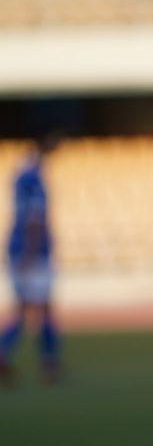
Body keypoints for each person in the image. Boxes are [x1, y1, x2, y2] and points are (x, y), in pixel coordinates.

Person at [2, 131, 63, 385]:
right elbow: (34, 220)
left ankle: (48, 362)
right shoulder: (34, 178)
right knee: (35, 308)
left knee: (30, 307)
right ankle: (47, 362)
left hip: (20, 249)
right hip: (33, 253)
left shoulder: (21, 175)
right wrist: (30, 252)